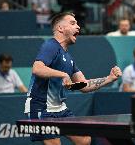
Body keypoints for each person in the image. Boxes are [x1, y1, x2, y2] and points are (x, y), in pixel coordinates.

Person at [24, 12, 122, 145]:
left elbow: (84, 85)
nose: (78, 27)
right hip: (41, 108)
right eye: (72, 23)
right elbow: (37, 68)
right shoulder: (51, 45)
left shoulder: (68, 58)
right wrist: (63, 74)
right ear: (60, 28)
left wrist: (109, 78)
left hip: (60, 109)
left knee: (84, 140)